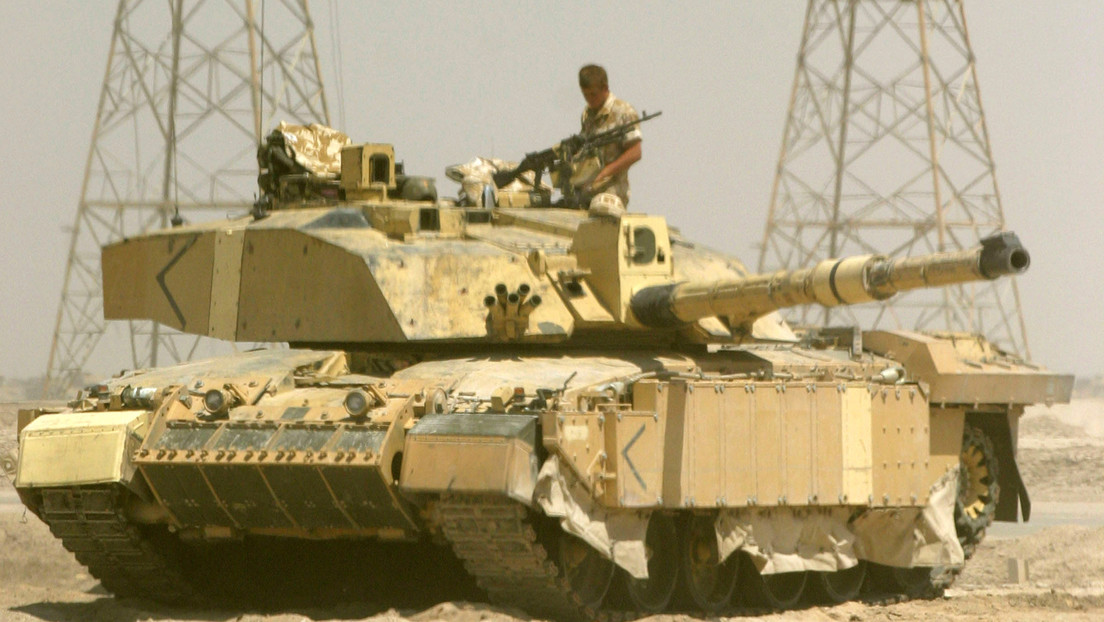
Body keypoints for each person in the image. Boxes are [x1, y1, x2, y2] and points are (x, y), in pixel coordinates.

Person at [578, 64, 642, 207]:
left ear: (605, 88)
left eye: (593, 94)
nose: (589, 99)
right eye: (585, 95)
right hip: (587, 191)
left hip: (611, 196)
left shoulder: (623, 112)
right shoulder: (587, 114)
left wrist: (606, 172)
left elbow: (635, 152)